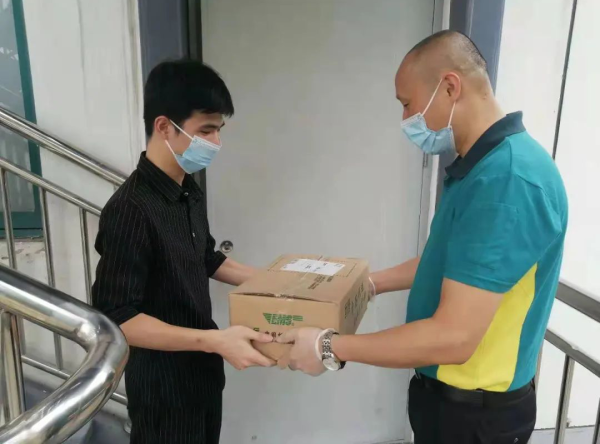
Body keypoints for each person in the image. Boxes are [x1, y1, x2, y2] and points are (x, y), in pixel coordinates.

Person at [277, 30, 568, 444]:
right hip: (448, 403)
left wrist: (330, 347)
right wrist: (370, 283)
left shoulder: (507, 181)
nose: (406, 120)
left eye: (407, 104)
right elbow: (453, 263)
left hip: (476, 416)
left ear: (449, 87)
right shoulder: (480, 168)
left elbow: (453, 337)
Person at [92, 60, 275, 444]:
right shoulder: (130, 209)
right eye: (205, 130)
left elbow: (206, 257)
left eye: (218, 130)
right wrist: (214, 341)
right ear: (164, 127)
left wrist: (274, 282)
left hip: (203, 374)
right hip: (164, 391)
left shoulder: (188, 190)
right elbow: (118, 318)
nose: (216, 142)